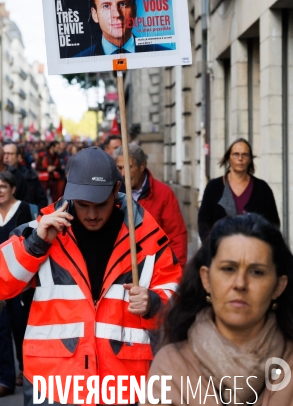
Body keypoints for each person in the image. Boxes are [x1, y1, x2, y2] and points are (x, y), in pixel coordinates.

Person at [0, 146, 182, 406]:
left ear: (116, 190)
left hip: (124, 382)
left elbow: (178, 298)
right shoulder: (41, 230)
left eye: (100, 204)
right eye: (83, 204)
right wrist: (34, 244)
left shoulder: (146, 236)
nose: (91, 214)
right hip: (54, 381)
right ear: (70, 194)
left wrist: (154, 303)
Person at [144, 213, 293, 405]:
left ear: (278, 286)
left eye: (257, 272)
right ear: (206, 279)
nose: (240, 284)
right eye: (228, 269)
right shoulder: (173, 366)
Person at [0, 172, 36, 398]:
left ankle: (25, 371)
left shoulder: (27, 210)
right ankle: (5, 378)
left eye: (2, 186)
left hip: (22, 283)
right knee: (0, 330)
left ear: (12, 188)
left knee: (21, 328)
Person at [115, 144, 188, 267]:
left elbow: (176, 237)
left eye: (128, 167)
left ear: (142, 165)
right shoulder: (113, 195)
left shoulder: (163, 194)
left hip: (156, 268)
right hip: (122, 270)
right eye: (120, 168)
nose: (123, 173)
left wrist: (175, 275)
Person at [198, 138, 280, 242]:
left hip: (254, 254)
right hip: (222, 253)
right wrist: (213, 247)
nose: (240, 158)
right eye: (236, 154)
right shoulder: (214, 187)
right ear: (229, 158)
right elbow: (204, 222)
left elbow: (273, 224)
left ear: (250, 159)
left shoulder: (262, 189)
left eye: (244, 155)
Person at [75, 0, 171, 57]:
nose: (117, 14)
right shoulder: (80, 60)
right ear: (95, 15)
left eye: (123, 4)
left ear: (134, 10)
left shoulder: (164, 54)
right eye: (106, 6)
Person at [3, 143, 47, 208]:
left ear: (19, 157)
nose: (6, 157)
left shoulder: (29, 175)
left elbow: (41, 200)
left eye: (10, 154)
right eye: (4, 154)